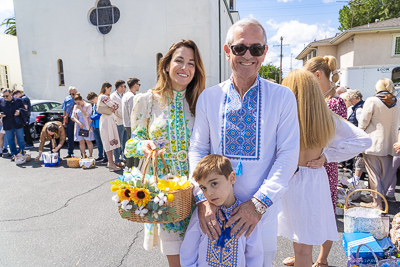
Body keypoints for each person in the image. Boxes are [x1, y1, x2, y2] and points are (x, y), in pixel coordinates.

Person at [188, 18, 300, 267]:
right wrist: (203, 198)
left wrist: (258, 204)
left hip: (261, 215)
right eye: (240, 48)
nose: (248, 55)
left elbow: (288, 154)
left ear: (265, 52)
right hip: (213, 211)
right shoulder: (210, 97)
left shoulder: (282, 97)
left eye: (256, 48)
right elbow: (197, 148)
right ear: (228, 51)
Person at [278, 69, 372, 267]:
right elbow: (363, 140)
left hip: (289, 178)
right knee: (304, 246)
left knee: (299, 243)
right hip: (313, 179)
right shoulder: (325, 118)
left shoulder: (282, 116)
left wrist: (327, 156)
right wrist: (327, 156)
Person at [125, 39, 206, 267]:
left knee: (203, 256)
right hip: (166, 193)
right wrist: (144, 146)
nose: (185, 67)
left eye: (191, 63)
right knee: (176, 259)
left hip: (199, 192)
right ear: (166, 65)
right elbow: (131, 143)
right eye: (179, 60)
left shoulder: (201, 101)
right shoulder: (147, 100)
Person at [288, 55, 346, 267]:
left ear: (317, 75)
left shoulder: (333, 103)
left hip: (323, 166)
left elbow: (337, 138)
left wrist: (326, 156)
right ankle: (303, 254)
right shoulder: (320, 101)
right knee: (306, 218)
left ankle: (322, 259)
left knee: (322, 217)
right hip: (311, 164)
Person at [180, 154, 263, 266]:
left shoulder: (246, 216)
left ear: (232, 178)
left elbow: (255, 255)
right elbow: (188, 250)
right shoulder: (203, 214)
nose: (209, 193)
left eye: (214, 183)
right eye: (203, 188)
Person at [359, 78, 400, 209]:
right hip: (390, 144)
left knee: (373, 174)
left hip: (373, 143)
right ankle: (380, 201)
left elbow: (363, 123)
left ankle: (377, 203)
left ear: (377, 88)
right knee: (385, 176)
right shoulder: (397, 102)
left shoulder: (372, 101)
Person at [97, 82, 121, 171]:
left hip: (107, 119)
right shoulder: (103, 97)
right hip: (107, 119)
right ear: (105, 88)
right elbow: (115, 105)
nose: (110, 91)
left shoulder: (102, 97)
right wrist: (113, 107)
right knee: (108, 140)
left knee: (109, 140)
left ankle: (110, 162)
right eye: (110, 89)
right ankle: (111, 163)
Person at [0, 88, 26, 161]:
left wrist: (19, 112)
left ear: (11, 93)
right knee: (10, 140)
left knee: (20, 139)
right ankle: (14, 154)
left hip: (18, 123)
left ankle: (22, 153)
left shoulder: (18, 100)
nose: (5, 98)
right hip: (7, 124)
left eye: (7, 96)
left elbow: (24, 110)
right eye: (3, 96)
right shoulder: (1, 101)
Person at [121, 77, 140, 168]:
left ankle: (129, 166)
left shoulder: (126, 95)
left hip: (127, 124)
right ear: (135, 85)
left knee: (129, 145)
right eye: (139, 84)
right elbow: (133, 112)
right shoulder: (132, 97)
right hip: (132, 124)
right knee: (135, 145)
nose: (139, 86)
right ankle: (135, 166)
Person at [71, 93, 94, 158]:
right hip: (79, 125)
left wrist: (81, 109)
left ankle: (90, 156)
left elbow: (88, 115)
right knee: (81, 141)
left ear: (82, 100)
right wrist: (78, 122)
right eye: (76, 102)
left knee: (88, 141)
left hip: (86, 125)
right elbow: (73, 117)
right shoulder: (75, 106)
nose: (77, 104)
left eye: (78, 102)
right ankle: (83, 155)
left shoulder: (88, 105)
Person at [110, 80, 127, 168]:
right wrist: (125, 116)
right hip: (118, 121)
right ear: (119, 87)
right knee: (118, 142)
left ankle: (124, 158)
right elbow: (116, 110)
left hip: (125, 122)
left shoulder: (124, 95)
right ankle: (117, 159)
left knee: (124, 141)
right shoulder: (113, 96)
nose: (125, 88)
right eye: (124, 86)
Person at [87, 92, 107, 163]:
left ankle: (106, 157)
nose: (92, 102)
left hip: (100, 125)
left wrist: (91, 117)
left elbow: (99, 114)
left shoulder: (100, 103)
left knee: (103, 142)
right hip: (95, 125)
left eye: (92, 101)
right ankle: (100, 156)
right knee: (98, 142)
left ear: (95, 98)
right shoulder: (95, 104)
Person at [62, 86, 77, 158]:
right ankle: (70, 153)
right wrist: (65, 119)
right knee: (70, 137)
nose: (72, 94)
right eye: (71, 93)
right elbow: (64, 110)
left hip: (77, 120)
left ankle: (83, 153)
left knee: (80, 137)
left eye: (74, 93)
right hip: (69, 119)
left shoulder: (79, 98)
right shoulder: (66, 99)